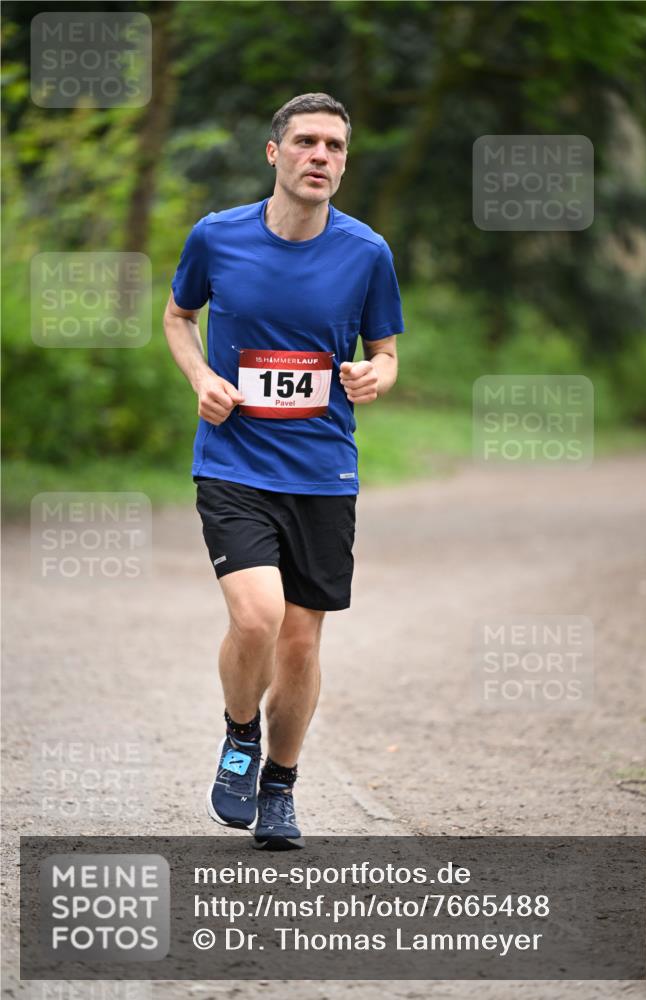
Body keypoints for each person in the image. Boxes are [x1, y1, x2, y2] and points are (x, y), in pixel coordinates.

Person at [163, 92, 404, 849]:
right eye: (306, 142)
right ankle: (239, 736)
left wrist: (375, 375)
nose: (320, 157)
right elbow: (178, 317)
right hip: (233, 460)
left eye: (334, 146)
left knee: (300, 642)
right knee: (257, 617)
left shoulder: (367, 252)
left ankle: (280, 787)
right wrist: (202, 377)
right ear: (275, 153)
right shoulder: (217, 237)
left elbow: (387, 352)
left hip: (323, 472)